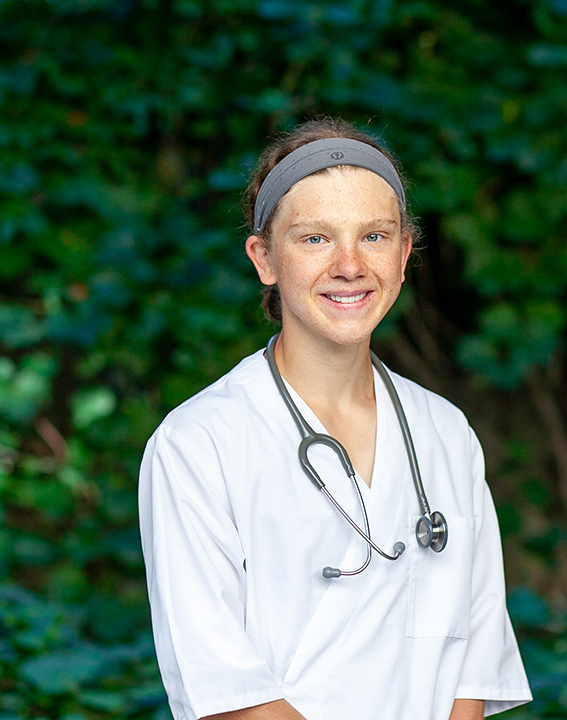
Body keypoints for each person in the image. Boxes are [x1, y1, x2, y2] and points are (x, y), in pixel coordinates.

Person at [138, 118, 532, 720]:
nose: (350, 265)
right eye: (316, 239)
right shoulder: (199, 444)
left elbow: (470, 665)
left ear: (403, 256)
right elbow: (223, 689)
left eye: (373, 237)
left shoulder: (447, 434)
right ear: (264, 258)